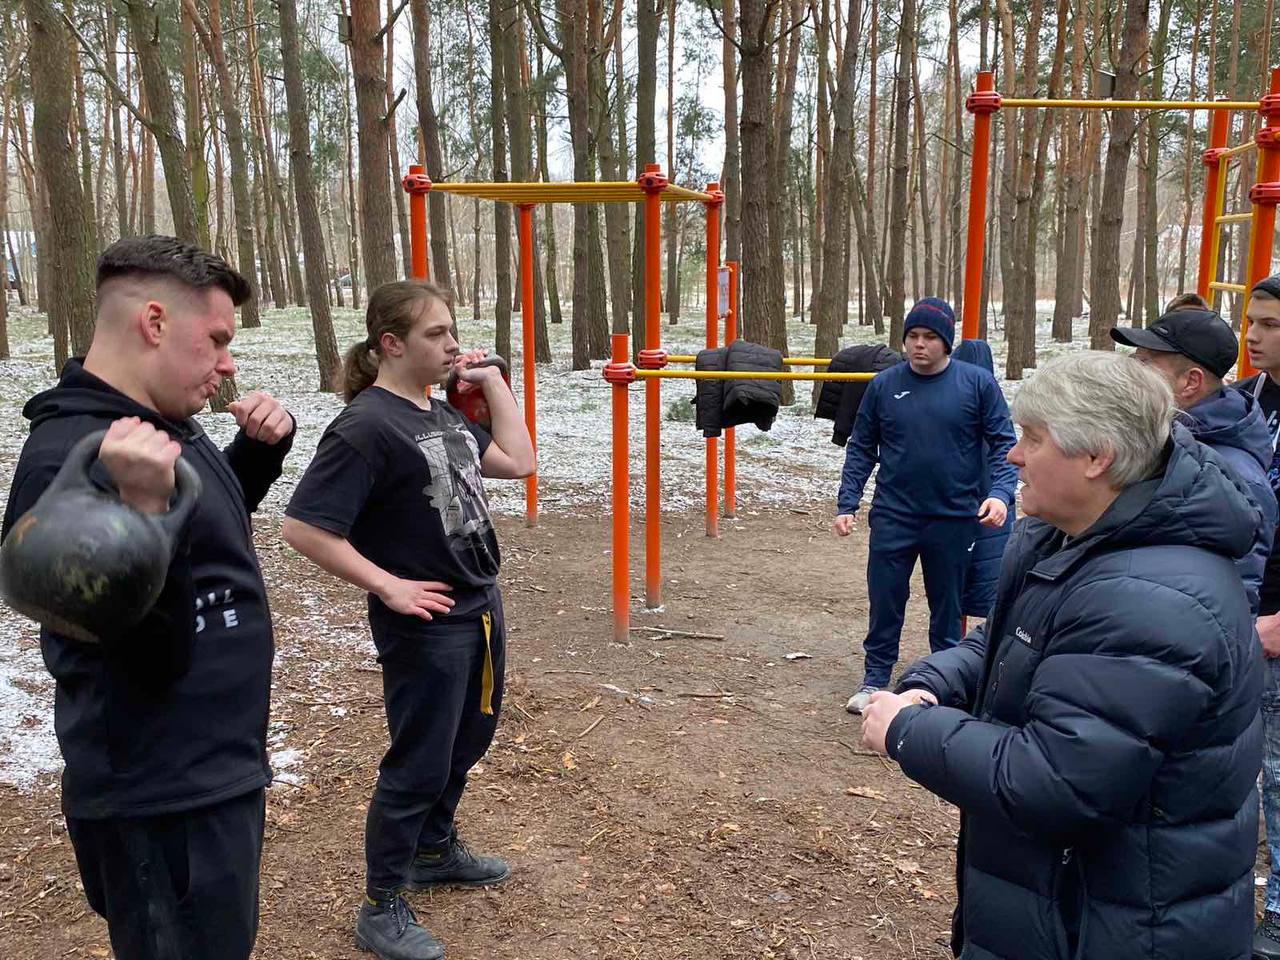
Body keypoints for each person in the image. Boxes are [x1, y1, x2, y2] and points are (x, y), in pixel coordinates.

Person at [861, 351, 1263, 960]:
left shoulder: (1146, 600)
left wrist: (908, 729)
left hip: (1111, 926)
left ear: (1096, 457)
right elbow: (1011, 640)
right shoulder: (1079, 536)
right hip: (1066, 905)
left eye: (1032, 439)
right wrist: (937, 680)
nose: (1013, 455)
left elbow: (1054, 781)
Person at [1, 236, 295, 960]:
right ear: (155, 323)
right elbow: (143, 651)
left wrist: (253, 460)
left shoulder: (156, 427)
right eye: (218, 339)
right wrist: (136, 509)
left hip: (213, 772)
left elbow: (192, 540)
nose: (229, 363)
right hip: (159, 801)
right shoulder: (71, 459)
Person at [281, 280, 535, 960]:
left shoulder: (442, 415)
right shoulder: (367, 426)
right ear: (390, 344)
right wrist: (387, 585)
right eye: (435, 334)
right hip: (427, 623)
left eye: (452, 331)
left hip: (479, 606)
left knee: (467, 742)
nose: (451, 344)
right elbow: (303, 527)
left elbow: (520, 462)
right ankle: (381, 902)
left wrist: (492, 381)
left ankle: (433, 849)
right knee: (419, 760)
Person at [834, 298, 1017, 715]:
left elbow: (1005, 443)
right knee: (885, 599)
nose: (919, 345)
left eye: (930, 337)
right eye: (913, 336)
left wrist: (1000, 493)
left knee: (947, 606)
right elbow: (862, 447)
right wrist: (848, 502)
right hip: (894, 515)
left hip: (954, 518)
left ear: (946, 342)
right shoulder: (884, 385)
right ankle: (875, 679)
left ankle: (947, 683)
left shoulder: (976, 384)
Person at [1111, 306, 1276, 612]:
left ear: (1190, 382)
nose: (1130, 374)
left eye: (1145, 364)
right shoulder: (1161, 438)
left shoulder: (1234, 476)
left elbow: (1229, 603)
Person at [1234, 273, 1280, 959]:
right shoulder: (1243, 406)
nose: (1253, 334)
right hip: (1235, 618)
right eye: (1252, 320)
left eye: (1269, 324)